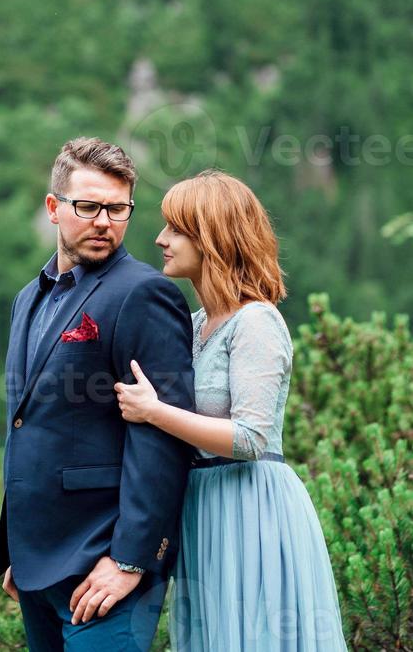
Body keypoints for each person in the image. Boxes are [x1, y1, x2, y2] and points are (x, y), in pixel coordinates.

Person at [114, 169, 348, 651]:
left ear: (214, 237)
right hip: (202, 509)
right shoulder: (196, 323)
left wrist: (154, 411)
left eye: (176, 229)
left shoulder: (257, 321)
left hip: (250, 509)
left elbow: (250, 438)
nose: (160, 239)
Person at [0, 137, 196, 651]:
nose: (105, 221)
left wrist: (131, 559)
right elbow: (30, 424)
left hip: (105, 567)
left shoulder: (143, 294)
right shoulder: (27, 298)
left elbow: (164, 437)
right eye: (89, 206)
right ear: (54, 208)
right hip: (37, 566)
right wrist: (21, 547)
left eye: (118, 208)